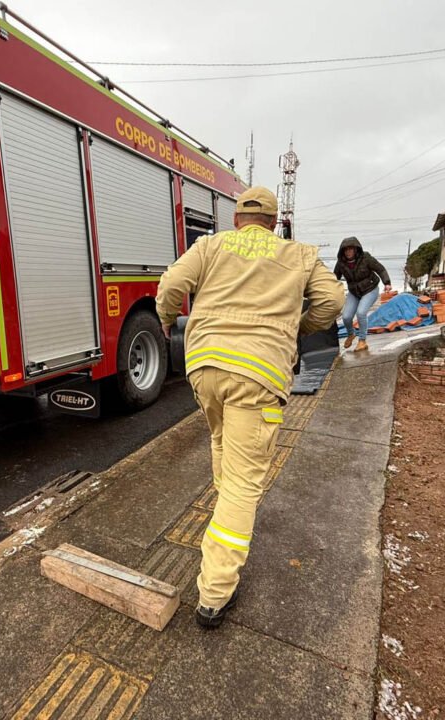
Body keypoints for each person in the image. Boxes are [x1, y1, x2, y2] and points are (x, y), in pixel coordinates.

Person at [156, 186, 344, 629]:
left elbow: (171, 286)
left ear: (237, 219)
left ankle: (226, 503)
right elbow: (332, 302)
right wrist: (298, 327)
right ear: (274, 223)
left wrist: (166, 319)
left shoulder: (210, 245)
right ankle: (214, 594)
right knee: (244, 483)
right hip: (257, 373)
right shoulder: (299, 254)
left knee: (222, 440)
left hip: (204, 366)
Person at [333, 236, 391, 352]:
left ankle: (362, 341)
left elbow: (380, 269)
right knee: (346, 316)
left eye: (351, 249)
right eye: (346, 249)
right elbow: (334, 278)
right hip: (354, 292)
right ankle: (351, 334)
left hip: (370, 289)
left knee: (361, 312)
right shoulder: (341, 263)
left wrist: (387, 283)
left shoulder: (366, 258)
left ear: (356, 249)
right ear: (342, 251)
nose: (348, 252)